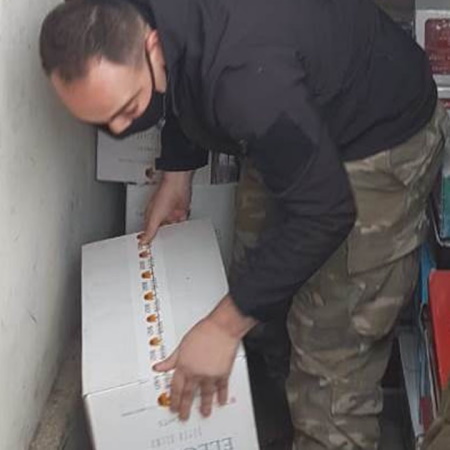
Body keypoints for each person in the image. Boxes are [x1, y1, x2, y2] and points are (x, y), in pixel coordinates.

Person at [39, 0, 450, 448]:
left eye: (129, 108)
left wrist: (223, 327)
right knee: (257, 280)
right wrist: (178, 168)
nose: (121, 127)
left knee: (331, 356)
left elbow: (327, 212)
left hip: (374, 134)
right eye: (102, 122)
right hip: (290, 99)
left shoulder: (244, 84)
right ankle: (268, 416)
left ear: (152, 46)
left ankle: (324, 431)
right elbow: (182, 71)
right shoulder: (138, 19)